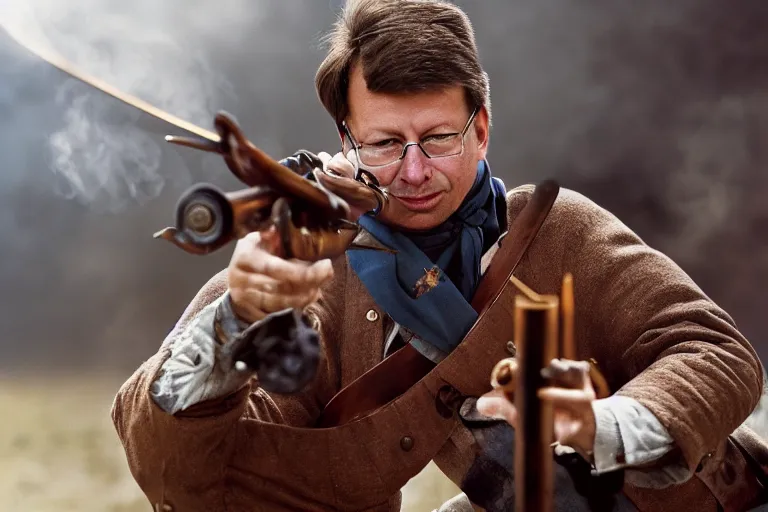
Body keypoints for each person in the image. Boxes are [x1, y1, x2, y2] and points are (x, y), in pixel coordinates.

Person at [111, 0, 767, 511]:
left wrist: (603, 423)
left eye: (439, 138)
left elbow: (716, 353)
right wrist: (236, 322)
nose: (415, 172)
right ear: (346, 139)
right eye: (386, 143)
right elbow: (181, 463)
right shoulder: (305, 269)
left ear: (481, 130)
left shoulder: (556, 231)